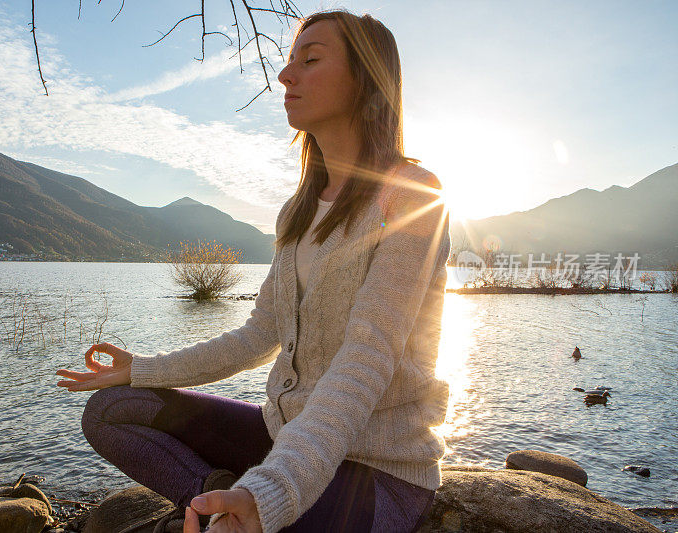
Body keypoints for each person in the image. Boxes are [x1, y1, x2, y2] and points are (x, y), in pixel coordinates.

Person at [56, 8, 451, 533]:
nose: (286, 75)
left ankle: (238, 509)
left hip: (375, 473)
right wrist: (142, 369)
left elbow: (367, 356)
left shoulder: (413, 195)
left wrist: (272, 493)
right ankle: (213, 503)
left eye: (310, 60)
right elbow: (260, 333)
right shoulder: (300, 209)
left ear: (366, 79)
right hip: (283, 439)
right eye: (290, 61)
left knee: (264, 509)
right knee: (111, 408)